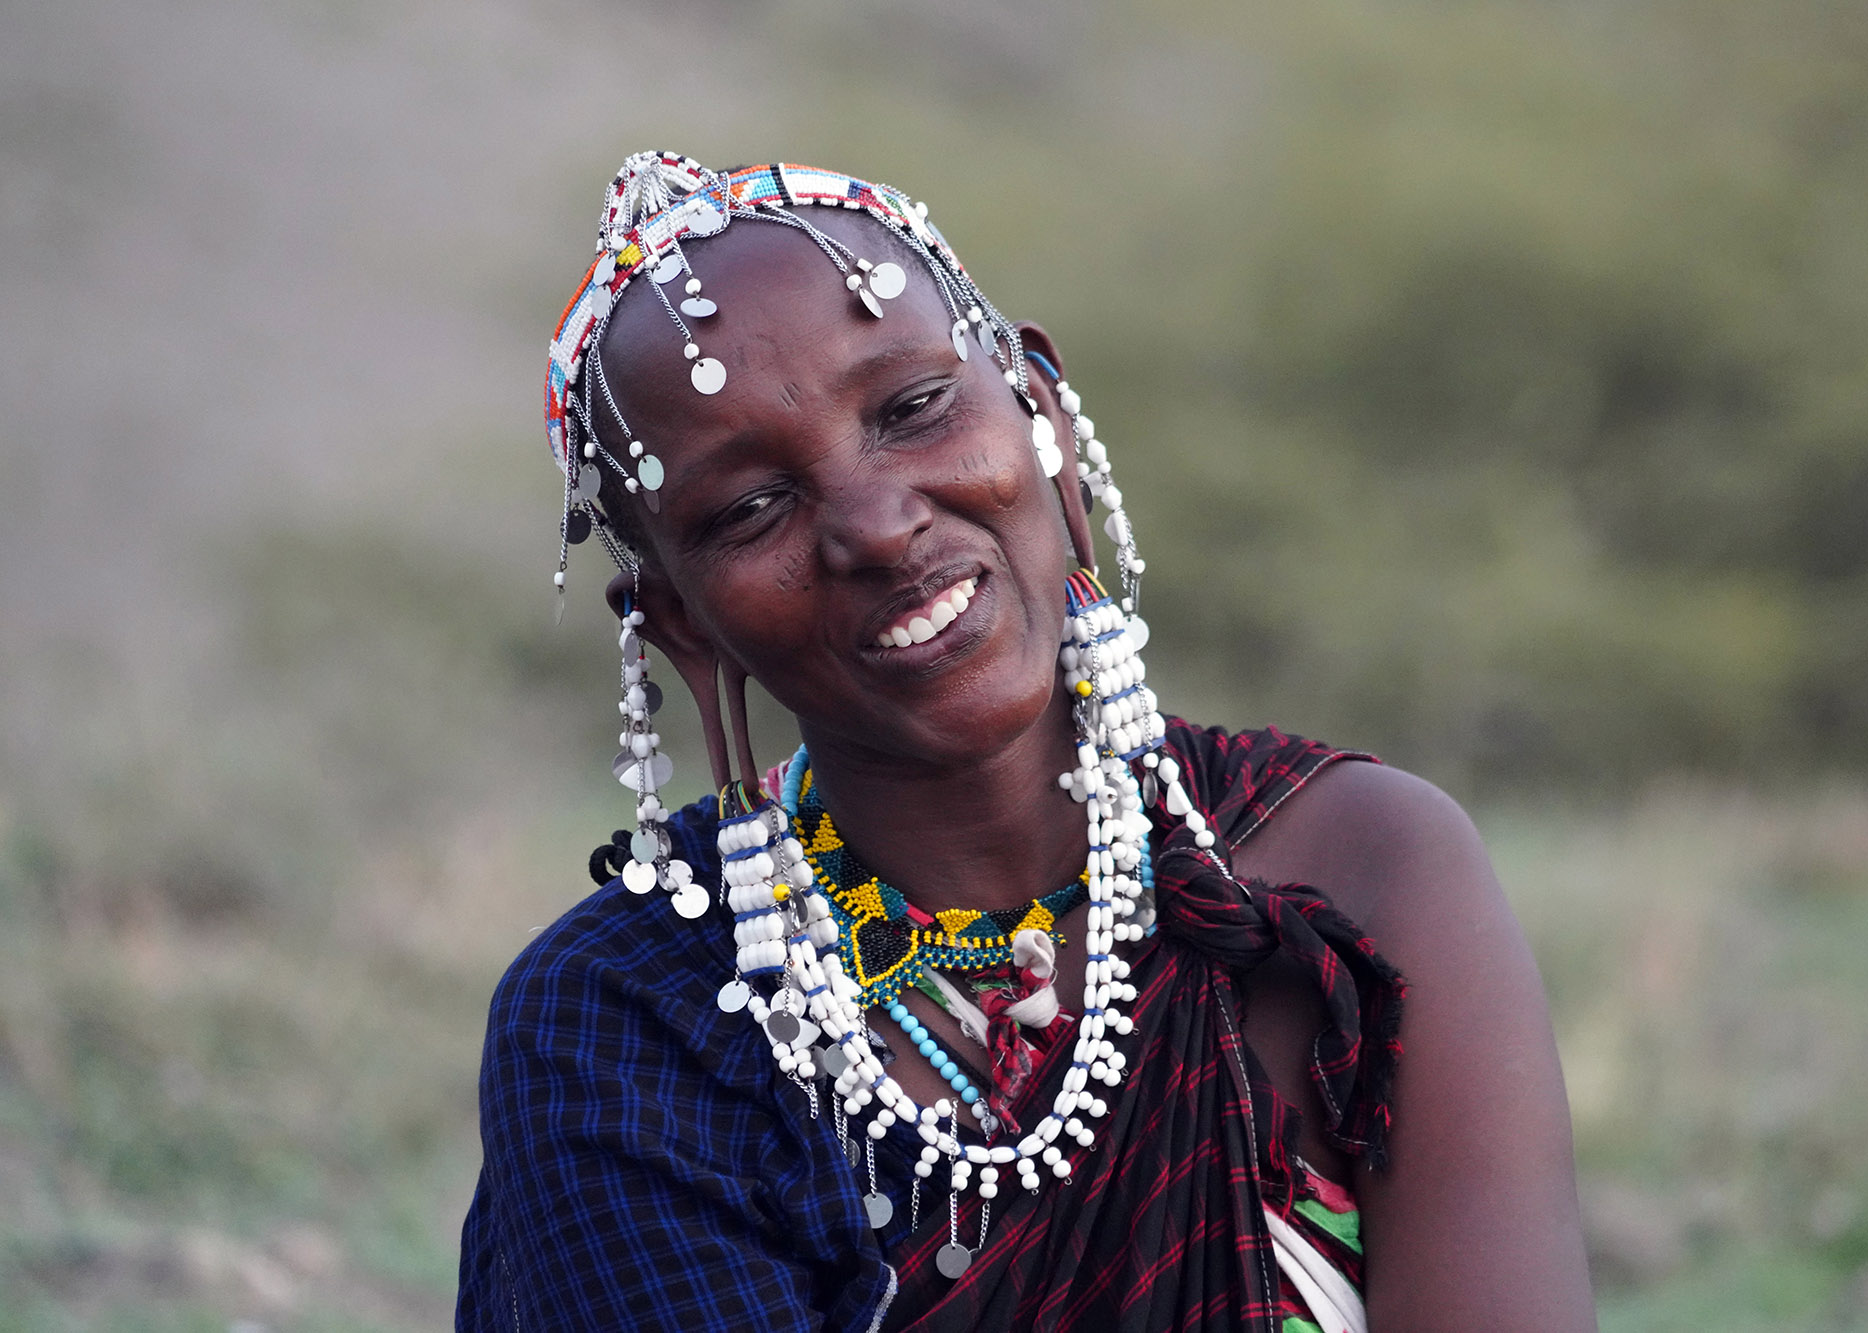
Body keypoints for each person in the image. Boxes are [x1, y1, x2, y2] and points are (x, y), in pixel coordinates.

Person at [456, 151, 1595, 1332]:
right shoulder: (624, 1017)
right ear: (684, 621)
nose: (880, 530)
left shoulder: (1360, 873)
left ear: (1040, 412)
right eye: (750, 509)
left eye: (911, 410)